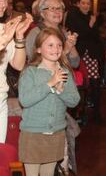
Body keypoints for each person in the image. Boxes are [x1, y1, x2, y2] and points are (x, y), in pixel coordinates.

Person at [18, 28, 80, 176]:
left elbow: (74, 100)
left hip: (56, 134)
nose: (56, 49)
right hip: (33, 134)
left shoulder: (64, 71)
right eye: (50, 45)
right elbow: (25, 100)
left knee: (48, 173)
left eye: (59, 45)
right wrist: (49, 84)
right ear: (38, 49)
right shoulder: (30, 72)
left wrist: (60, 90)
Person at [0, 0, 33, 143]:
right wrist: (3, 41)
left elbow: (18, 65)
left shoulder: (3, 28)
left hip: (1, 101)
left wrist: (19, 37)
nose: (3, 4)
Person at [26, 0, 80, 68]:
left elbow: (75, 63)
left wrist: (71, 45)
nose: (57, 12)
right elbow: (35, 63)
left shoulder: (64, 32)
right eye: (52, 8)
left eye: (59, 8)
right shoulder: (35, 33)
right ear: (42, 13)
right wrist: (65, 51)